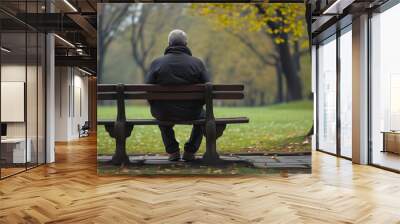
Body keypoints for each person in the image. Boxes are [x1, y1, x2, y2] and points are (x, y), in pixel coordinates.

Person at [145, 29, 210, 162]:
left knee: (160, 113)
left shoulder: (157, 63)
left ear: (169, 43)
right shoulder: (197, 63)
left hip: (164, 112)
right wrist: (198, 104)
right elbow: (208, 89)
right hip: (192, 112)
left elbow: (148, 91)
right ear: (186, 43)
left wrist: (155, 105)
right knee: (204, 116)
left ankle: (173, 151)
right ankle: (190, 151)